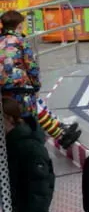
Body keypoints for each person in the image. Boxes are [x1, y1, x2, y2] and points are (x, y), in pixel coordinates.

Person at [0, 10, 80, 149]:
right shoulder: (20, 42)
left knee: (31, 110)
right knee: (32, 116)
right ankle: (59, 136)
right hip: (21, 87)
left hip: (4, 90)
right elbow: (31, 67)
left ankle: (60, 130)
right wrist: (36, 86)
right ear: (19, 26)